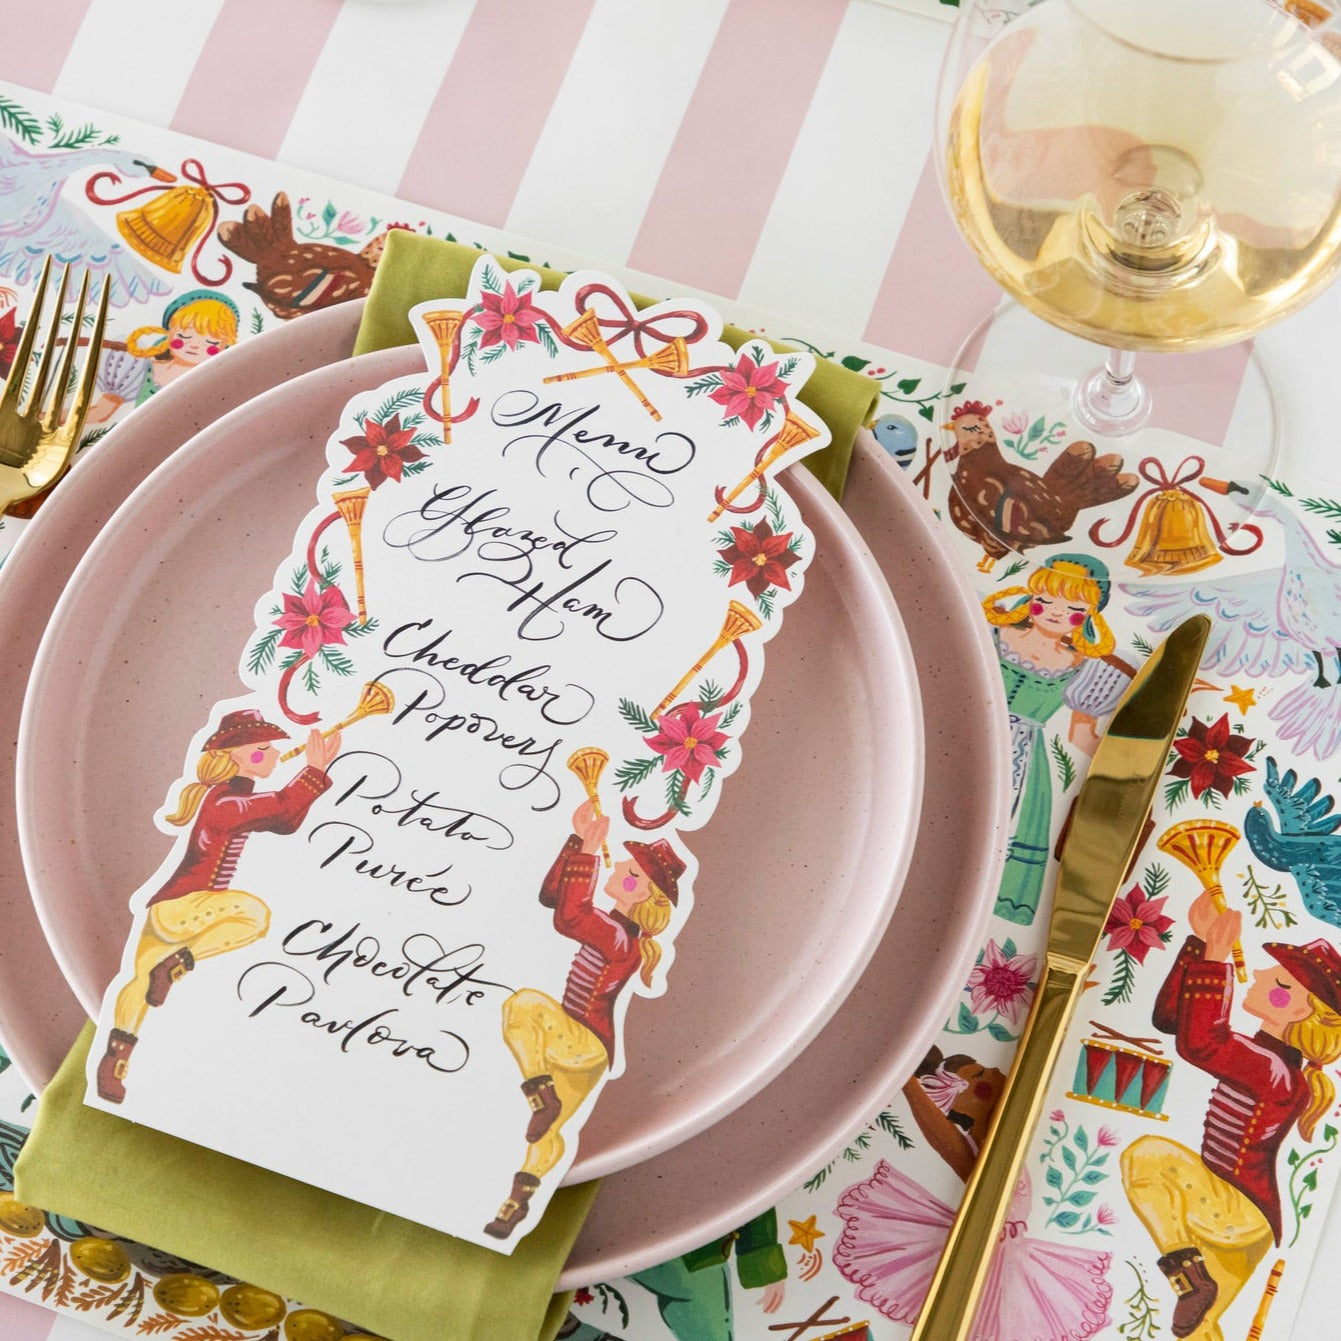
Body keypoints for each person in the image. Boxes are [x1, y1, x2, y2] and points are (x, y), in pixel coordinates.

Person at [1122, 888, 1341, 1340]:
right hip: (1246, 1224)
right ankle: (1195, 1285)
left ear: (1299, 1009)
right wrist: (1201, 945)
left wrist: (1218, 955)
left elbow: (1202, 1042)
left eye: (1279, 983)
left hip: (1234, 1207)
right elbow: (1173, 1022)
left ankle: (1190, 1278)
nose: (1260, 973)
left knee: (1147, 1156)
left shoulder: (1277, 1072)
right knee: (1199, 1331)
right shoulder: (1266, 1057)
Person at [95, 708, 340, 1104]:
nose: (275, 756)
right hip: (189, 908)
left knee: (137, 985)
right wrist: (313, 770)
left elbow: (284, 820)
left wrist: (311, 774)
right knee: (253, 915)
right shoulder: (223, 801)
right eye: (262, 750)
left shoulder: (228, 798)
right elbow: (279, 809)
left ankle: (113, 1069)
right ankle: (178, 965)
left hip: (166, 910)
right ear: (234, 756)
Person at [485, 800, 683, 1239]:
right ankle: (516, 1203)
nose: (617, 870)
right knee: (549, 1134)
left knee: (523, 1006)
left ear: (638, 890)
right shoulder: (616, 931)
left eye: (626, 870)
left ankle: (540, 1092)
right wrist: (577, 842)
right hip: (589, 1054)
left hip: (580, 1039)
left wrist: (589, 855)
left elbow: (570, 916)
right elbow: (552, 899)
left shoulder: (619, 938)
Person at [833, 1045, 1111, 1338]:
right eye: (981, 1074)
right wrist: (909, 1082)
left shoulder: (1005, 1135)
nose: (996, 1072)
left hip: (1014, 1251)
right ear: (959, 1101)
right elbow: (940, 1136)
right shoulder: (974, 1154)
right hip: (994, 1256)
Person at [982, 553, 1132, 925]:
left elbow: (1081, 733)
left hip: (1024, 763)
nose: (1054, 611)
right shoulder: (991, 631)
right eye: (1045, 599)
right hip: (965, 730)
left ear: (1091, 615)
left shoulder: (1081, 667)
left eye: (1073, 606)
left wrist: (1126, 770)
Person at [87, 289, 239, 423]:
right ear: (170, 334)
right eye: (184, 336)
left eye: (210, 341)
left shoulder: (215, 387)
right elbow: (101, 412)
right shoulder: (140, 368)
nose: (194, 345)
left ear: (224, 347)